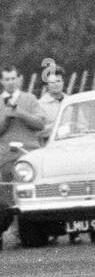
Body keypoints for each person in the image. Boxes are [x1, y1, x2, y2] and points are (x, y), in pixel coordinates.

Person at [1, 66, 46, 247]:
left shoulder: (29, 99)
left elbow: (40, 124)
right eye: (7, 79)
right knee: (8, 199)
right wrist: (7, 118)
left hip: (29, 155)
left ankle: (32, 233)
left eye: (13, 78)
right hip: (5, 156)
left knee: (30, 195)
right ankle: (12, 234)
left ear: (19, 79)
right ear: (2, 81)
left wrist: (19, 113)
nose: (11, 82)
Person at [38, 65, 66, 144]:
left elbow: (82, 124)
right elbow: (39, 131)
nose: (56, 85)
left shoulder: (70, 101)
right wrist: (59, 129)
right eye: (52, 82)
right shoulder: (40, 105)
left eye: (58, 81)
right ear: (47, 85)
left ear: (63, 82)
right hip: (51, 145)